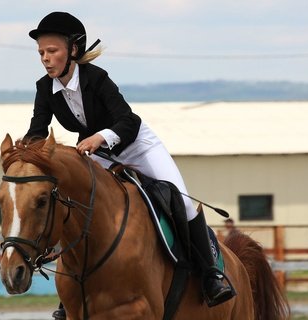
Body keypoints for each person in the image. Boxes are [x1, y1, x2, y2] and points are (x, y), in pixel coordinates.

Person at [24, 12, 234, 317]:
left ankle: (212, 276)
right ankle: (70, 294)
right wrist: (24, 153)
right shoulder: (45, 88)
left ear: (73, 50)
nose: (45, 58)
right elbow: (38, 129)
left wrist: (99, 138)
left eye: (52, 51)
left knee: (183, 203)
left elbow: (128, 120)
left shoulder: (97, 79)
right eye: (41, 53)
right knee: (76, 205)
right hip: (97, 151)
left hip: (135, 144)